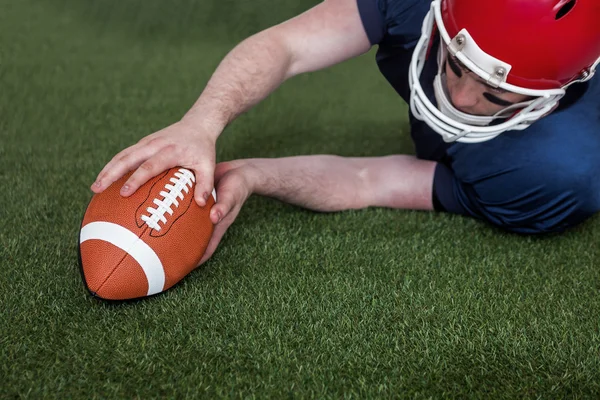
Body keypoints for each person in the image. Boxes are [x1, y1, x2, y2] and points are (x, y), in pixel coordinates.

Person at [91, 0, 600, 263]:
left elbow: (370, 180)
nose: (461, 99)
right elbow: (286, 46)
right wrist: (203, 125)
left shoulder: (553, 171)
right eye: (457, 63)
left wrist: (258, 175)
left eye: (495, 92)